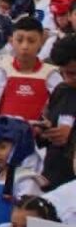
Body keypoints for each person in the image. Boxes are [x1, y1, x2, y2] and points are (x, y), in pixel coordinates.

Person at [37, 35, 76, 191]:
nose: (69, 78)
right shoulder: (61, 90)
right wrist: (43, 130)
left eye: (73, 73)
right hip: (53, 174)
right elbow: (48, 119)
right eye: (65, 73)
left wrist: (71, 136)